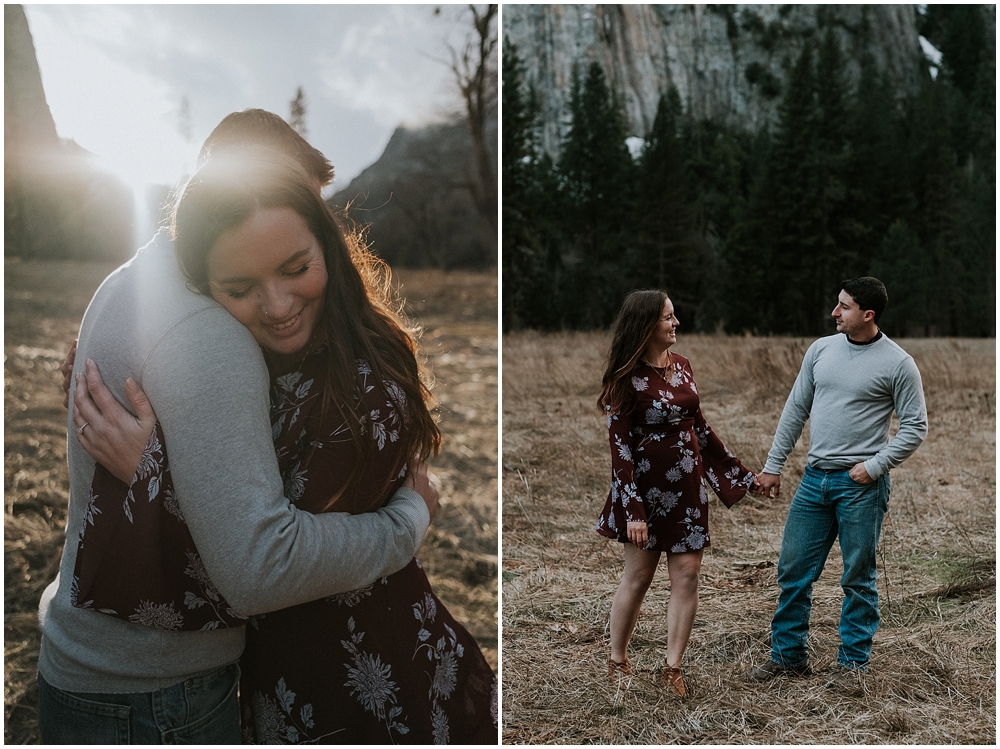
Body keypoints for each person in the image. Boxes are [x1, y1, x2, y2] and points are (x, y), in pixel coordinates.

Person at [72, 148, 498, 742]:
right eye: (240, 287)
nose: (276, 307)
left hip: (369, 678)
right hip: (289, 676)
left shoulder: (359, 384)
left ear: (328, 244)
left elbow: (267, 563)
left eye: (296, 269)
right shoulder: (267, 364)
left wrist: (157, 477)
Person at [749, 277, 928, 689]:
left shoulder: (898, 363)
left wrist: (876, 466)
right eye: (837, 304)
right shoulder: (821, 350)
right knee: (793, 570)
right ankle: (788, 658)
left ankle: (852, 667)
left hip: (860, 486)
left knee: (857, 576)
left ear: (868, 315)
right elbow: (796, 410)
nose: (835, 312)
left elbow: (915, 427)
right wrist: (773, 466)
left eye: (844, 307)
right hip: (814, 481)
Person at [595, 290, 758, 697]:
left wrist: (743, 477)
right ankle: (617, 659)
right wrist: (632, 509)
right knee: (639, 577)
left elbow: (700, 428)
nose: (676, 323)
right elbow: (620, 449)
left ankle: (672, 668)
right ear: (648, 324)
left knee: (687, 575)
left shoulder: (683, 367)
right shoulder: (626, 377)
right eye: (669, 317)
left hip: (687, 488)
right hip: (645, 495)